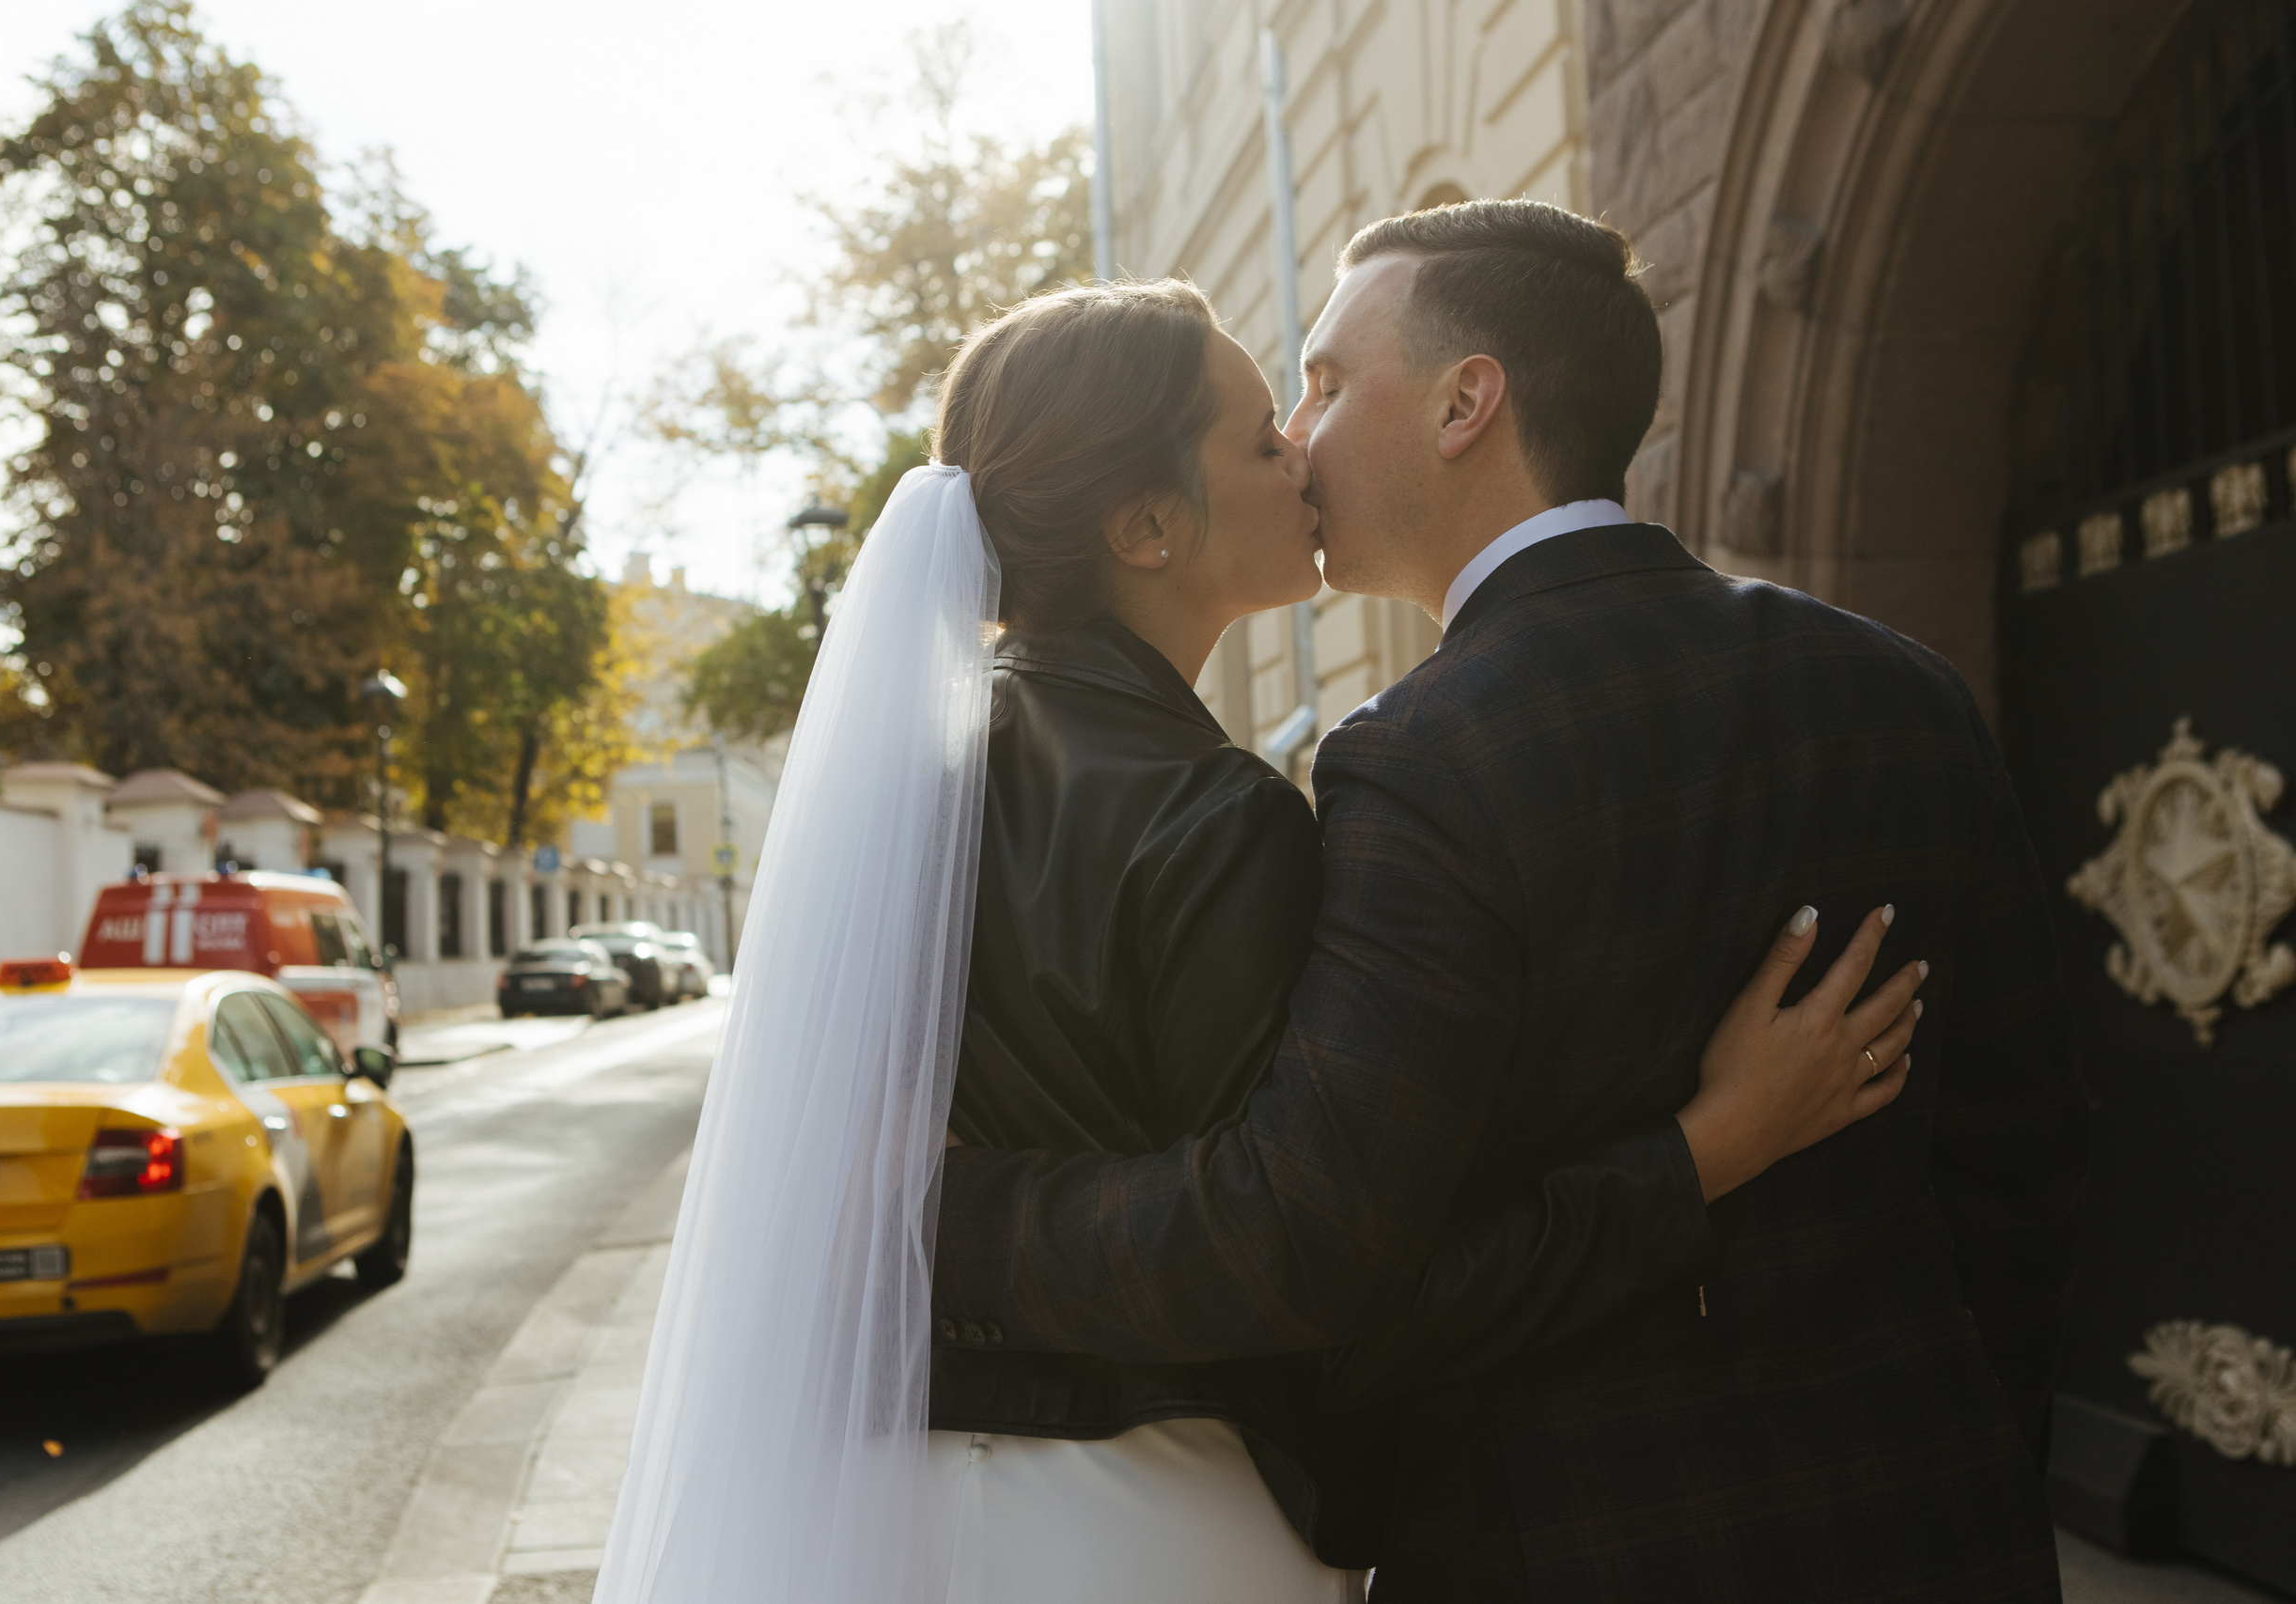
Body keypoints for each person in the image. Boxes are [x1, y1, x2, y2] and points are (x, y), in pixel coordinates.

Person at [593, 267, 1925, 1604]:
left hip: (882, 1512)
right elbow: (1322, 1275)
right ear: (1149, 527)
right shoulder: (1214, 815)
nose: (1298, 446)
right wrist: (1700, 1155)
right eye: (1258, 433)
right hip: (1155, 1516)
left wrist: (934, 1218)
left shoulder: (891, 798)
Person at [931, 202, 2090, 1601]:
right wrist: (1969, 1456)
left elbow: (1346, 1285)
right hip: (1931, 1525)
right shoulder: (1905, 693)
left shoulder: (1416, 761)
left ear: (1467, 401)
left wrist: (949, 1218)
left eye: (1328, 382)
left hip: (1563, 1546)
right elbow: (2021, 1169)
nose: (1298, 433)